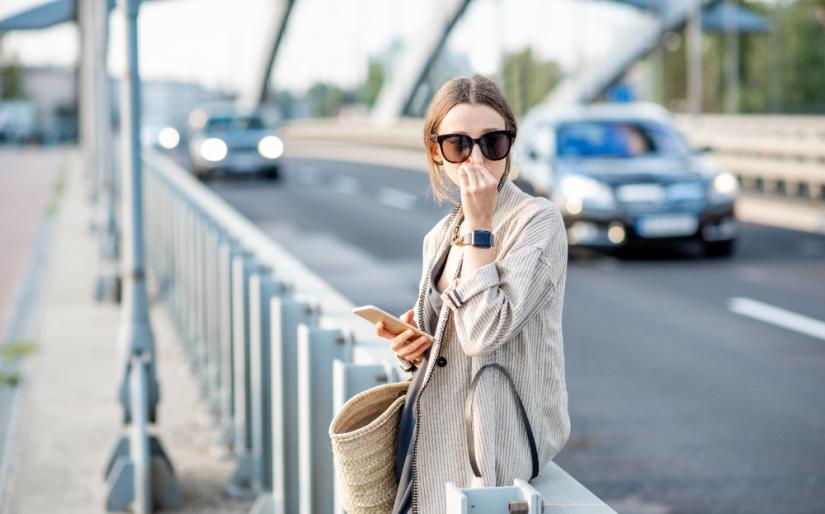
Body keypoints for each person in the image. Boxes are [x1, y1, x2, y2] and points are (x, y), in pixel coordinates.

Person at [374, 74, 571, 514]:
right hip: (428, 441)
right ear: (436, 151)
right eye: (458, 145)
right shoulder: (440, 236)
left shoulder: (537, 222)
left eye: (492, 143)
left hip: (492, 452)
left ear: (510, 146)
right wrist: (412, 347)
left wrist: (482, 229)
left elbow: (484, 334)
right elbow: (448, 346)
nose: (476, 157)